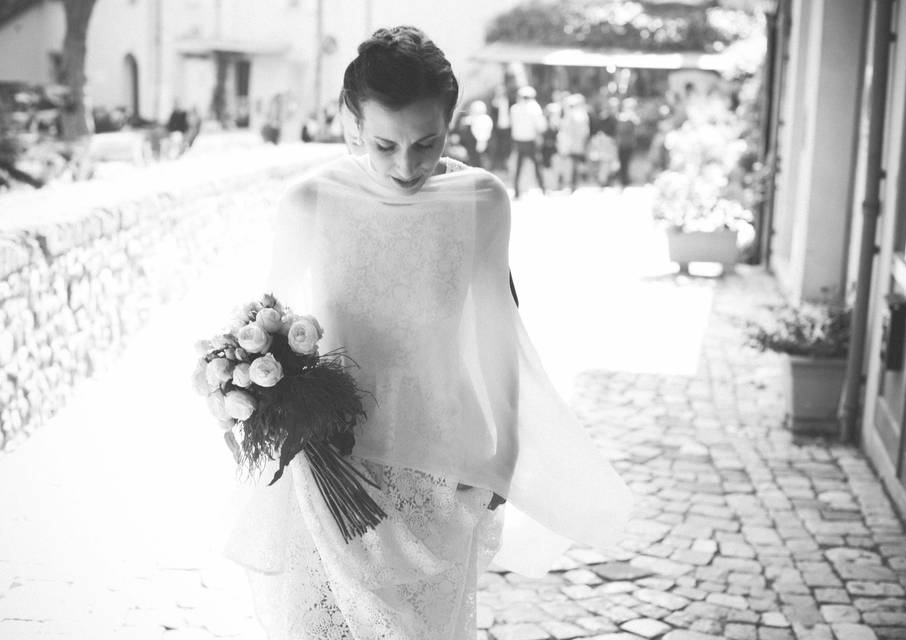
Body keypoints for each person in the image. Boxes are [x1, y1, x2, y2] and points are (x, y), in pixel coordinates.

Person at [223, 25, 633, 639]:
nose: (406, 164)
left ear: (451, 121)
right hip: (333, 457)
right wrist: (253, 400)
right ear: (352, 120)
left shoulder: (482, 200)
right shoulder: (308, 200)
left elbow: (499, 330)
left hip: (442, 460)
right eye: (385, 144)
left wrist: (505, 455)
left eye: (426, 141)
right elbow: (267, 327)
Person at [509, 85, 546, 198]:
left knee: (518, 167)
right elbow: (542, 126)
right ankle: (543, 189)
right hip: (530, 141)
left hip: (518, 141)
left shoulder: (514, 108)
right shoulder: (534, 108)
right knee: (537, 166)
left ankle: (516, 191)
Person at [556, 93, 591, 192]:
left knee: (572, 164)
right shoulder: (579, 114)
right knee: (572, 164)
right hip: (573, 143)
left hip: (572, 143)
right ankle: (570, 183)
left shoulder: (575, 114)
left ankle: (570, 183)